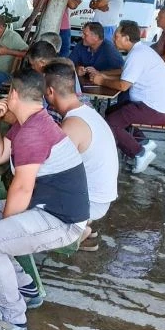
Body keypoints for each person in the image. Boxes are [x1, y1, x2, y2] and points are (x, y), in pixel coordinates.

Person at [0, 69, 88, 330]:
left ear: (14, 94)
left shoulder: (34, 131)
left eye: (8, 91)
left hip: (61, 219)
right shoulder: (27, 123)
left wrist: (2, 232)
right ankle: (25, 288)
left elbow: (21, 188)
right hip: (40, 206)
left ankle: (12, 319)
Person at [44, 60, 118, 252]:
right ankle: (80, 225)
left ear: (50, 91)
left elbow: (48, 171)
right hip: (100, 196)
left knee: (25, 191)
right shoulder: (86, 112)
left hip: (91, 202)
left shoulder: (72, 125)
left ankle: (72, 232)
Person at [89, 20, 165, 173]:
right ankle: (143, 142)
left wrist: (101, 81)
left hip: (154, 109)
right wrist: (103, 74)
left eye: (117, 36)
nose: (113, 39)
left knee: (111, 122)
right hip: (152, 105)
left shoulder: (137, 55)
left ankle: (139, 153)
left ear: (127, 38)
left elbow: (123, 86)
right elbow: (124, 72)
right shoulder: (139, 51)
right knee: (111, 111)